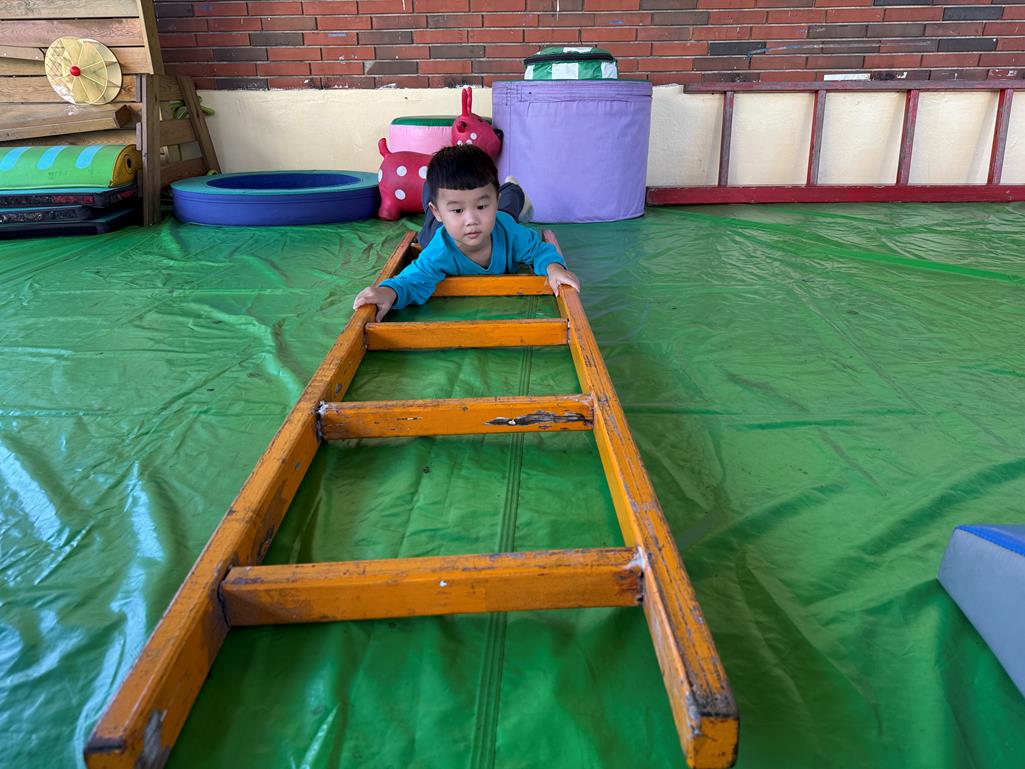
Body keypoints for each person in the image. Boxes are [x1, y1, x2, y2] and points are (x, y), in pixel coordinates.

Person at [353, 145, 580, 322]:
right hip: (443, 229)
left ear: (494, 201)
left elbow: (539, 251)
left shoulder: (508, 232)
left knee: (507, 210)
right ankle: (442, 200)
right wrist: (389, 291)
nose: (471, 220)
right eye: (458, 210)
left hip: (501, 217)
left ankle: (511, 188)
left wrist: (554, 269)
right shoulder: (438, 251)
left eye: (481, 206)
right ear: (438, 211)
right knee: (430, 230)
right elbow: (412, 279)